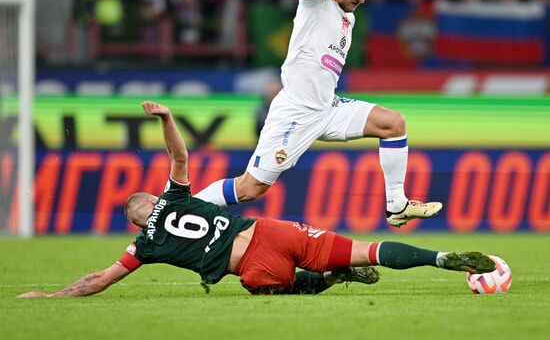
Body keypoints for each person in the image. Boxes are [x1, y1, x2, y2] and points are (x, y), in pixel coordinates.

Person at [19, 102, 496, 298]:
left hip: (253, 268)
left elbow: (100, 279)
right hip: (270, 231)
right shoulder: (175, 196)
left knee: (270, 289)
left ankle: (321, 281)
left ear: (136, 223)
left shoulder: (142, 246)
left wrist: (53, 296)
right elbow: (179, 156)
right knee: (368, 249)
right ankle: (442, 257)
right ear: (152, 198)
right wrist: (165, 117)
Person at [194, 0, 442, 227]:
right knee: (249, 188)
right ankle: (181, 209)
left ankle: (396, 206)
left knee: (393, 123)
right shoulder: (316, 1)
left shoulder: (349, 19)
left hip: (328, 108)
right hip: (295, 112)